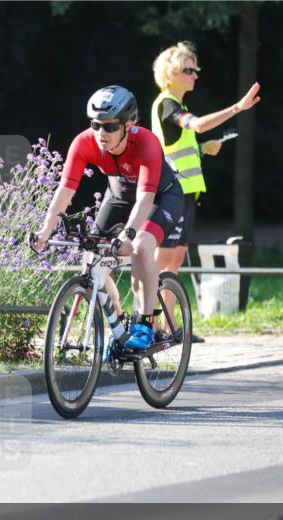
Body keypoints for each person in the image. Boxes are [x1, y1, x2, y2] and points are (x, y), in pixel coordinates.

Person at [33, 85, 183, 351]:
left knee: (140, 247)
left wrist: (128, 233)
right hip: (118, 194)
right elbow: (66, 189)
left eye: (111, 127)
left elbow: (145, 199)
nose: (102, 133)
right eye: (96, 125)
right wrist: (46, 229)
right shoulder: (85, 142)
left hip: (161, 197)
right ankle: (120, 326)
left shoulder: (146, 142)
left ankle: (145, 325)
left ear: (129, 124)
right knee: (92, 262)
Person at [150, 41, 261, 342]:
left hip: (185, 195)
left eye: (196, 70)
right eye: (189, 70)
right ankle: (149, 326)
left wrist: (202, 149)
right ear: (171, 73)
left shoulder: (177, 105)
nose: (195, 75)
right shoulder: (167, 104)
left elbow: (177, 145)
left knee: (174, 263)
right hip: (172, 195)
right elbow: (197, 125)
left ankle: (170, 328)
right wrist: (238, 108)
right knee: (163, 263)